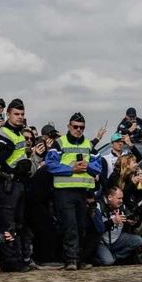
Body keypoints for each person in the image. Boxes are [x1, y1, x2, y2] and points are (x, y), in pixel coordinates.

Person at [0, 98, 32, 270]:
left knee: (18, 223)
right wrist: (13, 167)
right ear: (8, 114)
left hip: (19, 183)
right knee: (7, 224)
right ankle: (10, 261)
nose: (20, 117)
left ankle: (18, 258)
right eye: (16, 114)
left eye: (22, 114)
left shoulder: (18, 133)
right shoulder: (3, 134)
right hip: (7, 183)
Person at [46, 113, 97, 271]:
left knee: (81, 226)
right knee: (70, 226)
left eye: (81, 127)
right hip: (64, 192)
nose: (78, 130)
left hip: (82, 192)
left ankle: (79, 258)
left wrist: (87, 167)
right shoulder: (59, 143)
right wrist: (71, 169)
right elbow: (50, 164)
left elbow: (98, 166)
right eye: (75, 127)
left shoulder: (89, 145)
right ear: (69, 127)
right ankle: (71, 259)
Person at [90, 186, 142, 266]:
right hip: (101, 242)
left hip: (117, 240)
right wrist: (113, 221)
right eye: (119, 198)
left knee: (138, 240)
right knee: (108, 262)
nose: (121, 201)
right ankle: (93, 260)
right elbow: (98, 229)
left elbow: (132, 216)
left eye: (122, 198)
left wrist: (133, 222)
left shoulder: (122, 207)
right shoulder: (98, 207)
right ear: (110, 197)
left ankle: (115, 257)